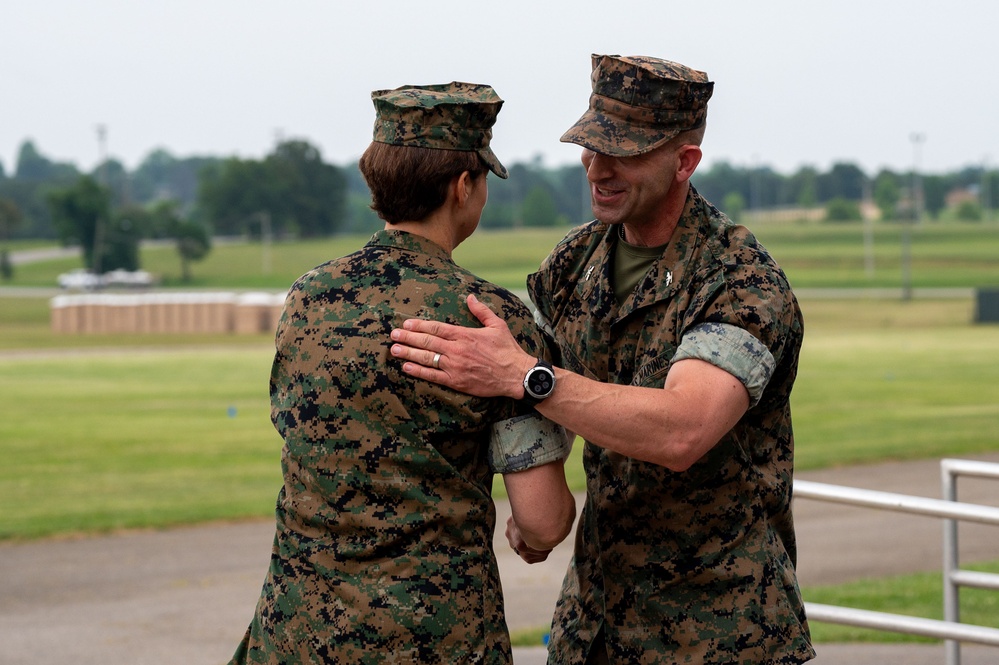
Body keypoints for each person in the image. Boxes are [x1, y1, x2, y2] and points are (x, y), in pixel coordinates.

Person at [390, 55, 816, 664]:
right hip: (595, 626)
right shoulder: (574, 261)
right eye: (591, 147)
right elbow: (526, 403)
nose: (598, 168)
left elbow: (683, 429)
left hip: (718, 635)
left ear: (684, 162)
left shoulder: (739, 282)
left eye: (624, 152)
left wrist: (526, 377)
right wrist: (533, 501)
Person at [228, 81, 576, 665]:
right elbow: (542, 521)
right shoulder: (492, 320)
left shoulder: (310, 298)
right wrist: (534, 532)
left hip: (295, 633)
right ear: (463, 187)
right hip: (436, 639)